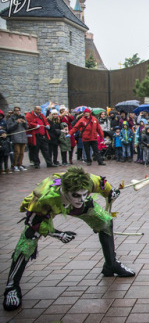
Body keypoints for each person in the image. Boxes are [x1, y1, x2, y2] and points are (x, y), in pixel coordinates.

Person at [2, 166, 134, 312]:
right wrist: (58, 234)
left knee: (104, 222)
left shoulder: (88, 182)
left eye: (85, 194)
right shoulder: (44, 197)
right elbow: (34, 223)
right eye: (77, 195)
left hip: (70, 204)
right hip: (51, 207)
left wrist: (111, 192)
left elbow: (103, 185)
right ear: (65, 191)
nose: (82, 199)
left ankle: (111, 264)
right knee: (28, 239)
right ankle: (12, 286)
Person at [7, 107, 28, 171]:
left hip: (23, 136)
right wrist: (16, 122)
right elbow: (9, 128)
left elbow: (27, 127)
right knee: (17, 152)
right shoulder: (11, 119)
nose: (18, 112)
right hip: (16, 136)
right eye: (16, 111)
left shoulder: (23, 117)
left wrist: (24, 123)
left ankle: (20, 164)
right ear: (14, 111)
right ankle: (14, 165)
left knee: (22, 152)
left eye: (18, 110)